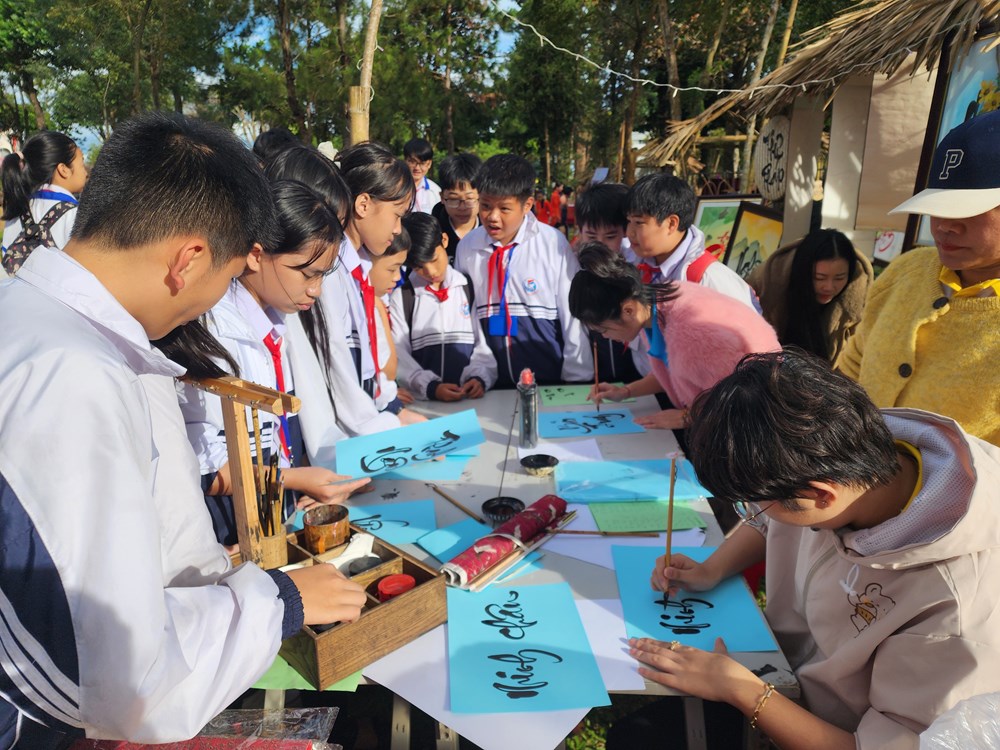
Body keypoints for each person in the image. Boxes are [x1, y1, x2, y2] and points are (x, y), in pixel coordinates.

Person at [0, 112, 366, 747]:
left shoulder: (31, 317)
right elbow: (122, 676)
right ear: (189, 259)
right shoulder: (74, 376)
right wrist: (279, 601)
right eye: (228, 278)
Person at [610, 349, 1000, 750]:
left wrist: (740, 689)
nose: (756, 515)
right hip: (778, 669)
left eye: (754, 503)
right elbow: (772, 520)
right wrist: (711, 568)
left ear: (820, 495)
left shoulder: (956, 616)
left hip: (827, 726)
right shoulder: (841, 452)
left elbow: (879, 745)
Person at [172, 180, 370, 547]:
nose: (315, 290)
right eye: (305, 273)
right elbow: (206, 471)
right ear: (256, 255)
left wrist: (295, 492)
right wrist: (294, 480)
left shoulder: (276, 323)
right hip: (225, 529)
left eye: (322, 276)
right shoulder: (215, 333)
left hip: (267, 511)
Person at [837, 111, 1000, 447]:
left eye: (967, 209)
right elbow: (852, 366)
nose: (944, 225)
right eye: (938, 205)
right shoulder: (907, 270)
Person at [571, 242, 778, 431]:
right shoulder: (653, 308)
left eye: (604, 330)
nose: (606, 338)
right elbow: (676, 372)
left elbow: (741, 394)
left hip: (759, 420)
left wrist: (685, 417)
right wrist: (625, 392)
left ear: (627, 311)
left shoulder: (692, 329)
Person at [454, 153, 593, 388]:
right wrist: (479, 374)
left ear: (527, 205)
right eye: (485, 206)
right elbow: (467, 319)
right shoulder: (468, 247)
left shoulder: (552, 243)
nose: (492, 217)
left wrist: (577, 379)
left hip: (550, 382)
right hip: (492, 385)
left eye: (504, 208)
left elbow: (573, 316)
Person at [320, 141, 413, 434]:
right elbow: (339, 369)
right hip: (349, 435)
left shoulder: (357, 270)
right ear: (363, 204)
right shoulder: (328, 273)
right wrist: (388, 425)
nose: (398, 229)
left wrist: (392, 410)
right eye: (397, 215)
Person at [390, 212, 496, 401]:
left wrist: (479, 377)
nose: (431, 272)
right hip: (426, 402)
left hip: (469, 399)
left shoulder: (467, 288)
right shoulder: (404, 297)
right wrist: (430, 386)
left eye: (434, 259)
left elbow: (483, 344)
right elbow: (399, 354)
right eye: (419, 267)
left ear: (445, 241)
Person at [624, 172, 760, 310]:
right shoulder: (633, 264)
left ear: (671, 224)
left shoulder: (710, 280)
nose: (629, 232)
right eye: (629, 221)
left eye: (639, 222)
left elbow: (750, 328)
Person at [750, 228, 873, 363]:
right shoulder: (769, 283)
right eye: (819, 278)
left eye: (839, 278)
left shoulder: (860, 294)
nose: (829, 287)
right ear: (802, 270)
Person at [575, 182, 645, 383]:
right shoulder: (573, 264)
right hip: (596, 368)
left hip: (636, 369)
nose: (599, 243)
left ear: (624, 232)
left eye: (610, 236)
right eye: (590, 235)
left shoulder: (635, 265)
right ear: (579, 231)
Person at [1, 130, 88, 275]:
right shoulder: (76, 215)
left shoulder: (17, 209)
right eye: (81, 163)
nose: (85, 172)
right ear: (63, 170)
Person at [364, 227, 411, 417]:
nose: (398, 277)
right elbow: (389, 370)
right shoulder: (371, 305)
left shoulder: (377, 302)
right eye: (392, 269)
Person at [430, 152, 482, 262]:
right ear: (442, 197)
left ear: (481, 196)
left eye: (469, 199)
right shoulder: (431, 235)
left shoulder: (492, 232)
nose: (462, 207)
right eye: (454, 199)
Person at [403, 137, 440, 214]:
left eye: (422, 163)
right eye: (412, 162)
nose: (417, 168)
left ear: (429, 164)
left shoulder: (435, 191)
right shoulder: (394, 188)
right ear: (405, 160)